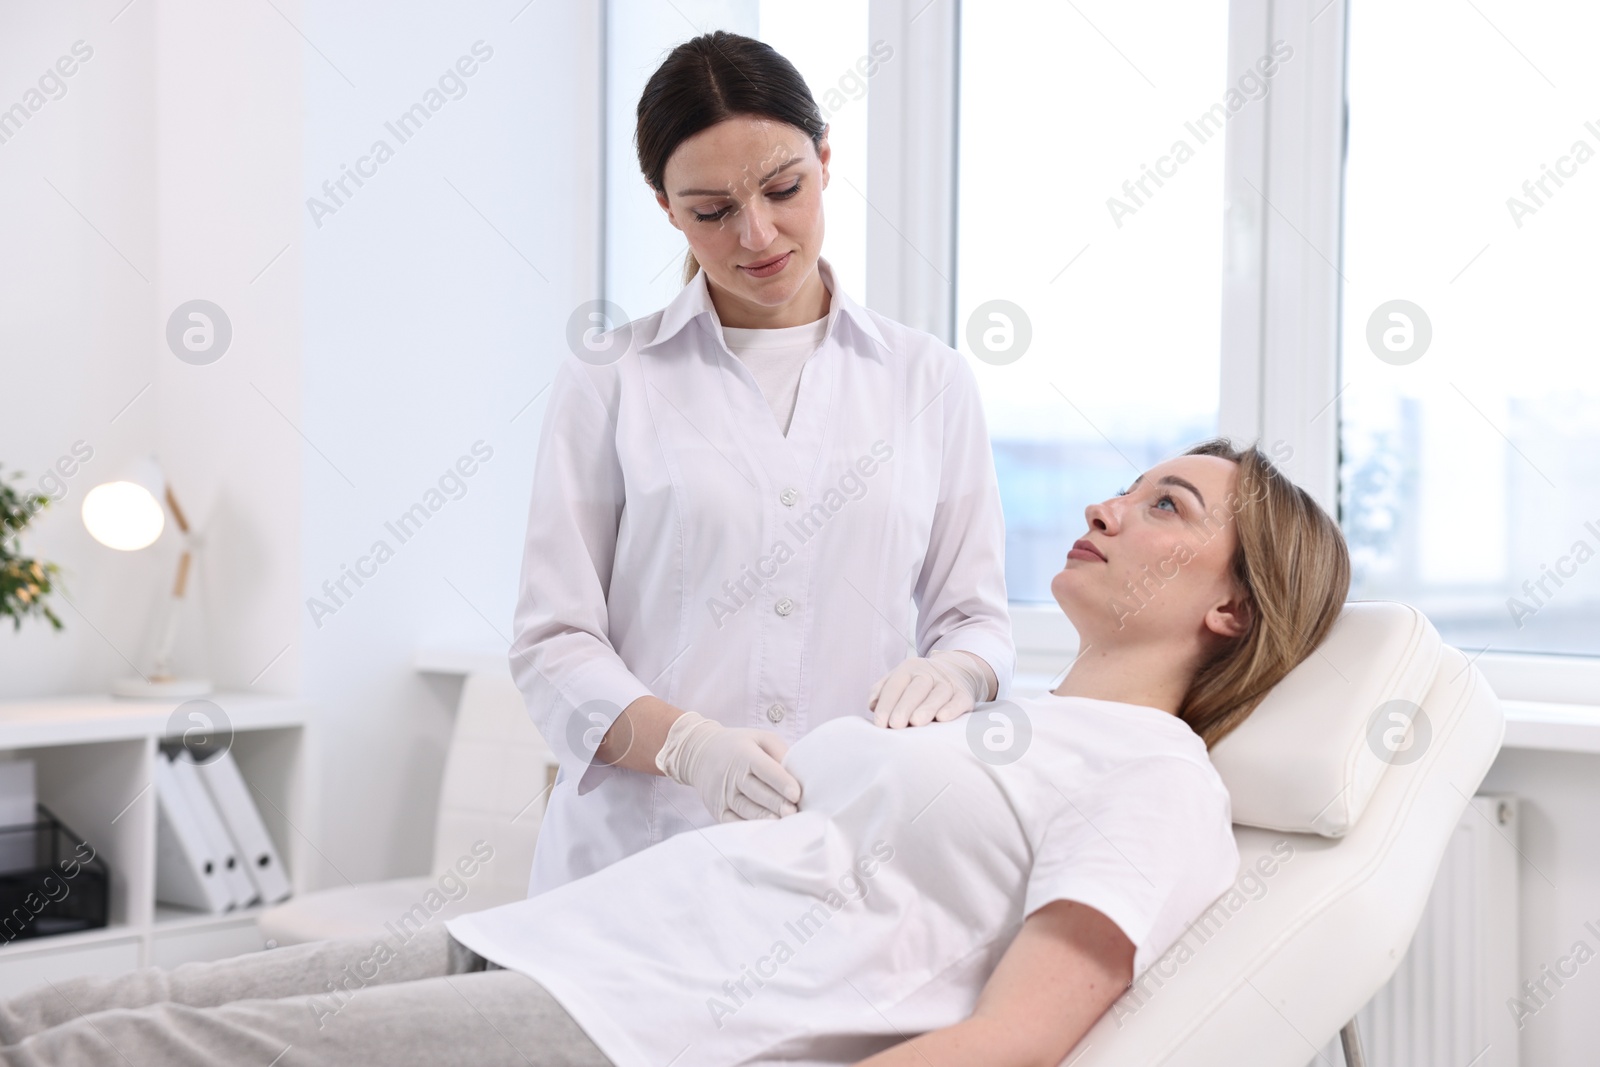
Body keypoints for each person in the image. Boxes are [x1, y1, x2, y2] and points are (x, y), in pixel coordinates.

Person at [0, 440, 1350, 1067]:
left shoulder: (1158, 776)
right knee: (70, 1012)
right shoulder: (1012, 714)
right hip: (561, 932)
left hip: (652, 1020)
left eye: (1166, 502)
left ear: (1231, 604)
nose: (1109, 503)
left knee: (138, 1046)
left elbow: (1016, 1036)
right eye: (1132, 482)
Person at [518, 29, 1015, 895]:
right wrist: (685, 745)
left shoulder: (926, 379)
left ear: (825, 159)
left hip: (842, 855)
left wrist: (960, 671)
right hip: (636, 861)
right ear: (666, 206)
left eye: (784, 189)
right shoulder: (611, 380)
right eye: (711, 210)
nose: (757, 234)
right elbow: (554, 642)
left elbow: (976, 617)